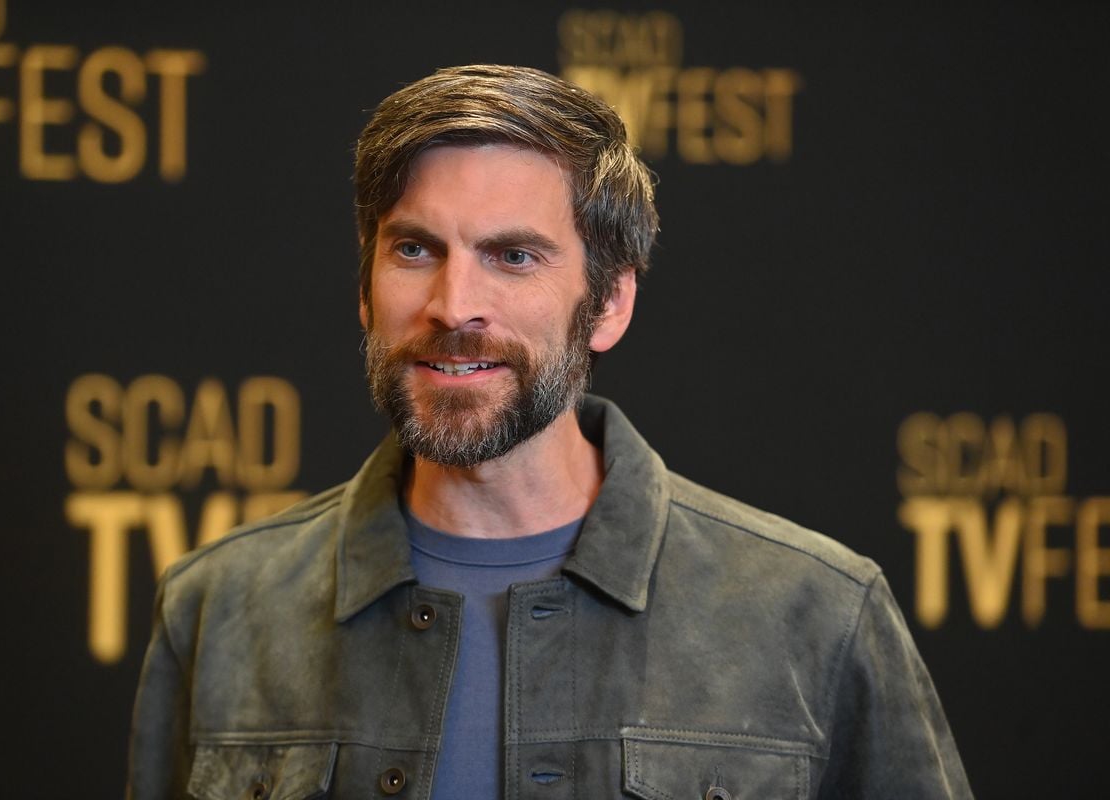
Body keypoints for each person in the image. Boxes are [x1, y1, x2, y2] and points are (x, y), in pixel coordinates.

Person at [128, 64, 971, 799]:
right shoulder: (219, 608)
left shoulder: (817, 614)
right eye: (415, 250)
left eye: (514, 256)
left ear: (609, 302)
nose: (454, 306)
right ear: (364, 286)